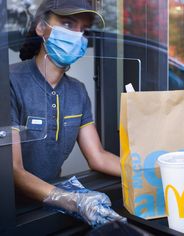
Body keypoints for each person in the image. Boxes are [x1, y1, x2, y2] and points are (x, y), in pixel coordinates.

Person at [10, 0, 124, 227]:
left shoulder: (77, 91)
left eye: (83, 30)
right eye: (68, 24)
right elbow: (12, 169)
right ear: (41, 27)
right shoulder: (10, 83)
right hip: (12, 213)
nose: (77, 36)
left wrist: (149, 171)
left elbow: (98, 157)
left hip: (48, 211)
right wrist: (74, 202)